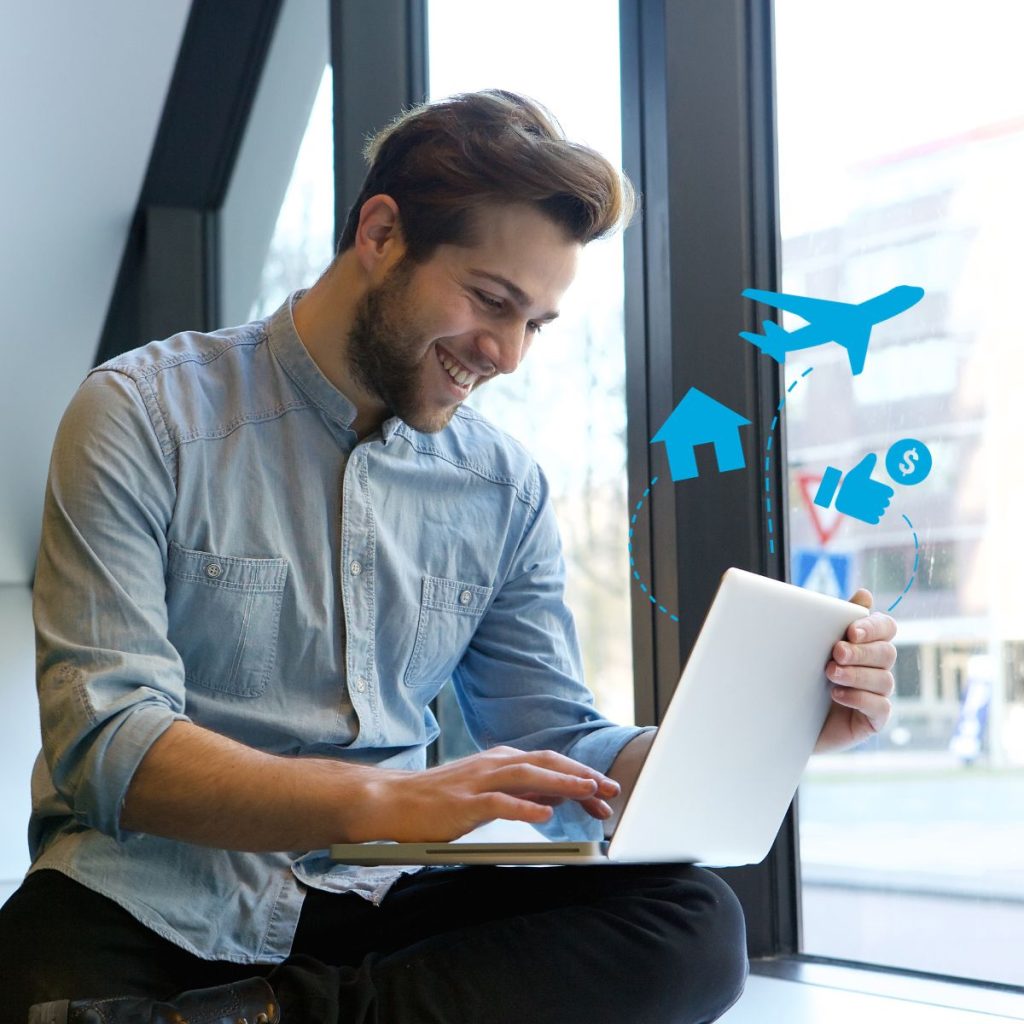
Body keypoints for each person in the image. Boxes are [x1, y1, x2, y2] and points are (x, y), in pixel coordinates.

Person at [2, 90, 897, 1024]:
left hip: (381, 901)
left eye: (535, 324)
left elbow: (554, 734)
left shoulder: (504, 487)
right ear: (381, 233)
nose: (506, 354)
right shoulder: (142, 416)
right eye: (490, 300)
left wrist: (778, 725)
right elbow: (109, 745)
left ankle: (258, 1016)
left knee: (695, 925)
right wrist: (383, 800)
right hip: (146, 898)